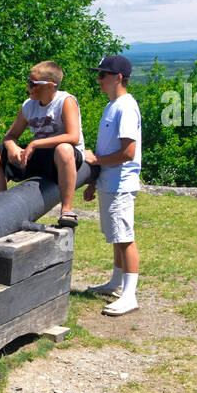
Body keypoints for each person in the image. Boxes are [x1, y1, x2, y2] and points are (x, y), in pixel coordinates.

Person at [0, 61, 84, 227]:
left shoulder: (65, 101)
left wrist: (35, 144)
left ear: (50, 86)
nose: (28, 88)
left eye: (33, 84)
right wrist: (13, 147)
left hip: (64, 156)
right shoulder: (28, 106)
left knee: (64, 149)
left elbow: (73, 137)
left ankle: (66, 209)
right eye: (28, 82)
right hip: (39, 155)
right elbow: (10, 136)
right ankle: (1, 205)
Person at [83, 55, 141, 316]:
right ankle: (117, 283)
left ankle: (130, 295)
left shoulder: (126, 107)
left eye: (103, 75)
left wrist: (95, 160)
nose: (99, 79)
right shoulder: (112, 105)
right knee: (116, 235)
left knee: (125, 237)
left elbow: (128, 152)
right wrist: (94, 180)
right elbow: (108, 148)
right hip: (109, 181)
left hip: (121, 183)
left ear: (118, 77)